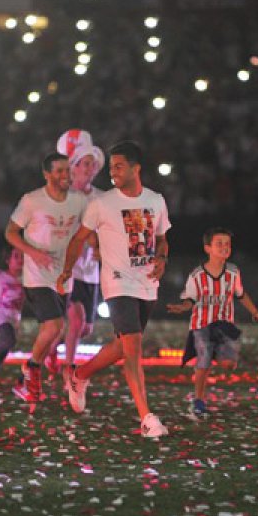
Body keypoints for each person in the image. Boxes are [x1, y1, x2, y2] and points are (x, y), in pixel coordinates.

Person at [57, 140, 172, 438]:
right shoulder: (102, 204)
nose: (113, 173)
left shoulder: (156, 201)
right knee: (133, 349)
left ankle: (80, 375)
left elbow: (162, 239)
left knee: (124, 346)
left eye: (119, 167)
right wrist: (67, 270)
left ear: (136, 168)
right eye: (111, 168)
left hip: (147, 284)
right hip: (117, 283)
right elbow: (78, 239)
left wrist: (161, 258)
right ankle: (146, 417)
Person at [5, 152, 87, 406]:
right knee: (53, 325)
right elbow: (11, 232)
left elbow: (86, 231)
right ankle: (32, 370)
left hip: (63, 275)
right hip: (36, 275)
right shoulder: (32, 201)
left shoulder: (79, 201)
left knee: (54, 329)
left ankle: (26, 379)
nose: (65, 176)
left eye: (68, 171)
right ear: (47, 174)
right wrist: (33, 253)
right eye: (60, 171)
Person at [166, 227, 258, 417]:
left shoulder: (233, 272)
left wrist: (255, 312)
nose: (224, 247)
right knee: (203, 360)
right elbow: (190, 299)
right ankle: (198, 399)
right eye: (219, 244)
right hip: (201, 325)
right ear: (208, 248)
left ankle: (215, 354)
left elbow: (241, 294)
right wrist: (183, 307)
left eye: (227, 244)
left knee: (229, 364)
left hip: (224, 325)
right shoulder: (197, 275)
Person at [55, 130, 105, 382]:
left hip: (90, 271)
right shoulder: (62, 196)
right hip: (67, 268)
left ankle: (53, 343)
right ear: (73, 167)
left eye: (92, 164)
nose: (89, 168)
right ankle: (69, 370)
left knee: (85, 328)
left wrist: (101, 246)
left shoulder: (101, 197)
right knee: (76, 320)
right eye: (85, 163)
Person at [0, 246, 25, 378]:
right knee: (9, 340)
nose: (20, 260)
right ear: (8, 260)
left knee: (5, 348)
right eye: (16, 256)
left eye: (22, 257)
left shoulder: (26, 279)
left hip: (13, 319)